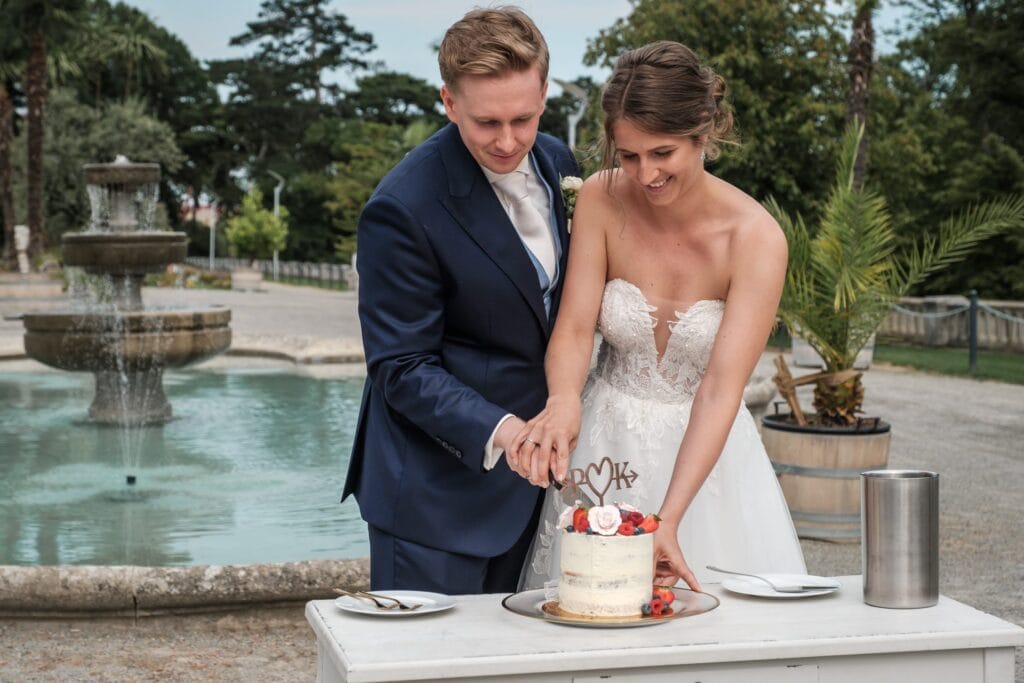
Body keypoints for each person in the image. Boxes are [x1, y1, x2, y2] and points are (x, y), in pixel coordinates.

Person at [511, 41, 806, 592]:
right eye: (628, 155)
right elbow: (575, 328)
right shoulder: (601, 197)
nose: (644, 174)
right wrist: (562, 401)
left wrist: (668, 518)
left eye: (662, 153)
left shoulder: (756, 238)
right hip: (602, 449)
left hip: (707, 464)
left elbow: (721, 389)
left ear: (705, 133)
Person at [342, 7, 579, 595]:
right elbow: (400, 365)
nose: (507, 141)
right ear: (448, 102)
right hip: (434, 503)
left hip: (537, 498)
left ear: (545, 92)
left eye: (523, 118)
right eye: (486, 122)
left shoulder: (560, 164)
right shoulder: (402, 207)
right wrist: (504, 432)